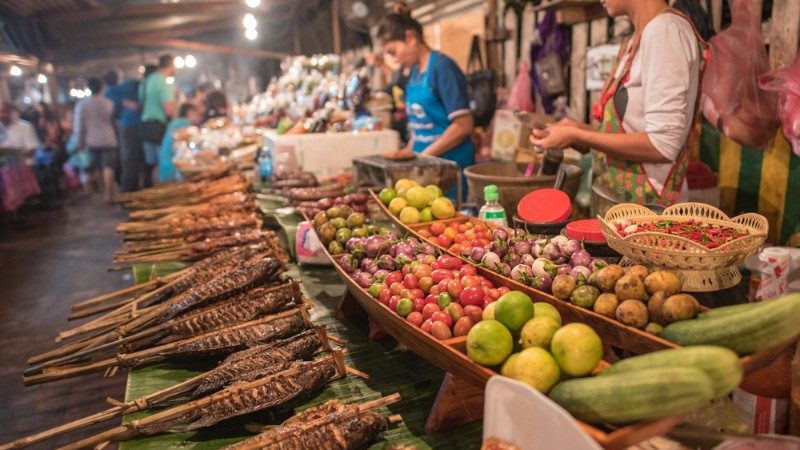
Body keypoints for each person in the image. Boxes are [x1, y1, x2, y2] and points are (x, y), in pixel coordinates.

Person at [530, 0, 705, 214]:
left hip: (651, 217)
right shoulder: (636, 39)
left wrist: (577, 135)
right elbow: (632, 132)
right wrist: (577, 131)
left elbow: (663, 145)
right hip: (622, 211)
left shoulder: (664, 32)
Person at [377, 10, 474, 200]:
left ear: (411, 37)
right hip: (426, 170)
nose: (394, 59)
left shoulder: (443, 68)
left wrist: (424, 156)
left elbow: (463, 124)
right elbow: (420, 122)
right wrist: (408, 152)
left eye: (393, 51)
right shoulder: (413, 72)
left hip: (448, 170)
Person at [74, 78, 118, 203]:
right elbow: (115, 121)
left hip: (92, 140)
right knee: (109, 166)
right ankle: (109, 194)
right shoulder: (109, 103)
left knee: (99, 167)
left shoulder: (82, 105)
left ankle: (104, 191)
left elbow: (79, 126)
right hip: (109, 138)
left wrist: (80, 142)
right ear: (102, 87)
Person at [107, 68, 146, 192]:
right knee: (130, 162)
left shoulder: (138, 86)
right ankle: (126, 196)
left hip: (136, 126)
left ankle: (134, 192)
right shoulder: (131, 85)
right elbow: (109, 94)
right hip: (130, 126)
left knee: (137, 161)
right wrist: (127, 103)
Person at [139, 55, 176, 186]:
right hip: (157, 127)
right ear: (171, 65)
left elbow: (141, 103)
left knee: (153, 163)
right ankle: (162, 190)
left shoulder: (147, 81)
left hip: (145, 126)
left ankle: (153, 190)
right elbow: (169, 110)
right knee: (163, 161)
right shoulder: (163, 82)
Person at [159, 102, 203, 183]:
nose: (200, 118)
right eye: (198, 114)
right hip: (173, 168)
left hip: (165, 166)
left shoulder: (175, 123)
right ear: (190, 112)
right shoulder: (185, 124)